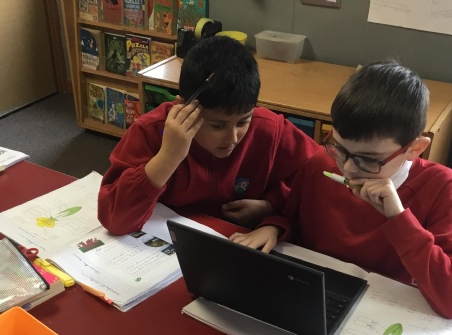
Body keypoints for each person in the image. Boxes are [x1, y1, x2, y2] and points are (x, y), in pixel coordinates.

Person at [230, 61, 452, 319]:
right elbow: (291, 216)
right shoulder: (319, 165)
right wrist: (274, 227)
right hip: (312, 295)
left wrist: (398, 218)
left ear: (415, 148)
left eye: (368, 159)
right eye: (340, 148)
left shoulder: (439, 186)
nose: (348, 169)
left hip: (378, 311)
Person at [97, 36, 319, 235]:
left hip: (240, 242)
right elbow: (114, 220)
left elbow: (318, 174)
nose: (232, 138)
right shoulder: (150, 131)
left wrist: (271, 207)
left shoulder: (267, 127)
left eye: (243, 122)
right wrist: (168, 157)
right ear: (183, 107)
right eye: (217, 126)